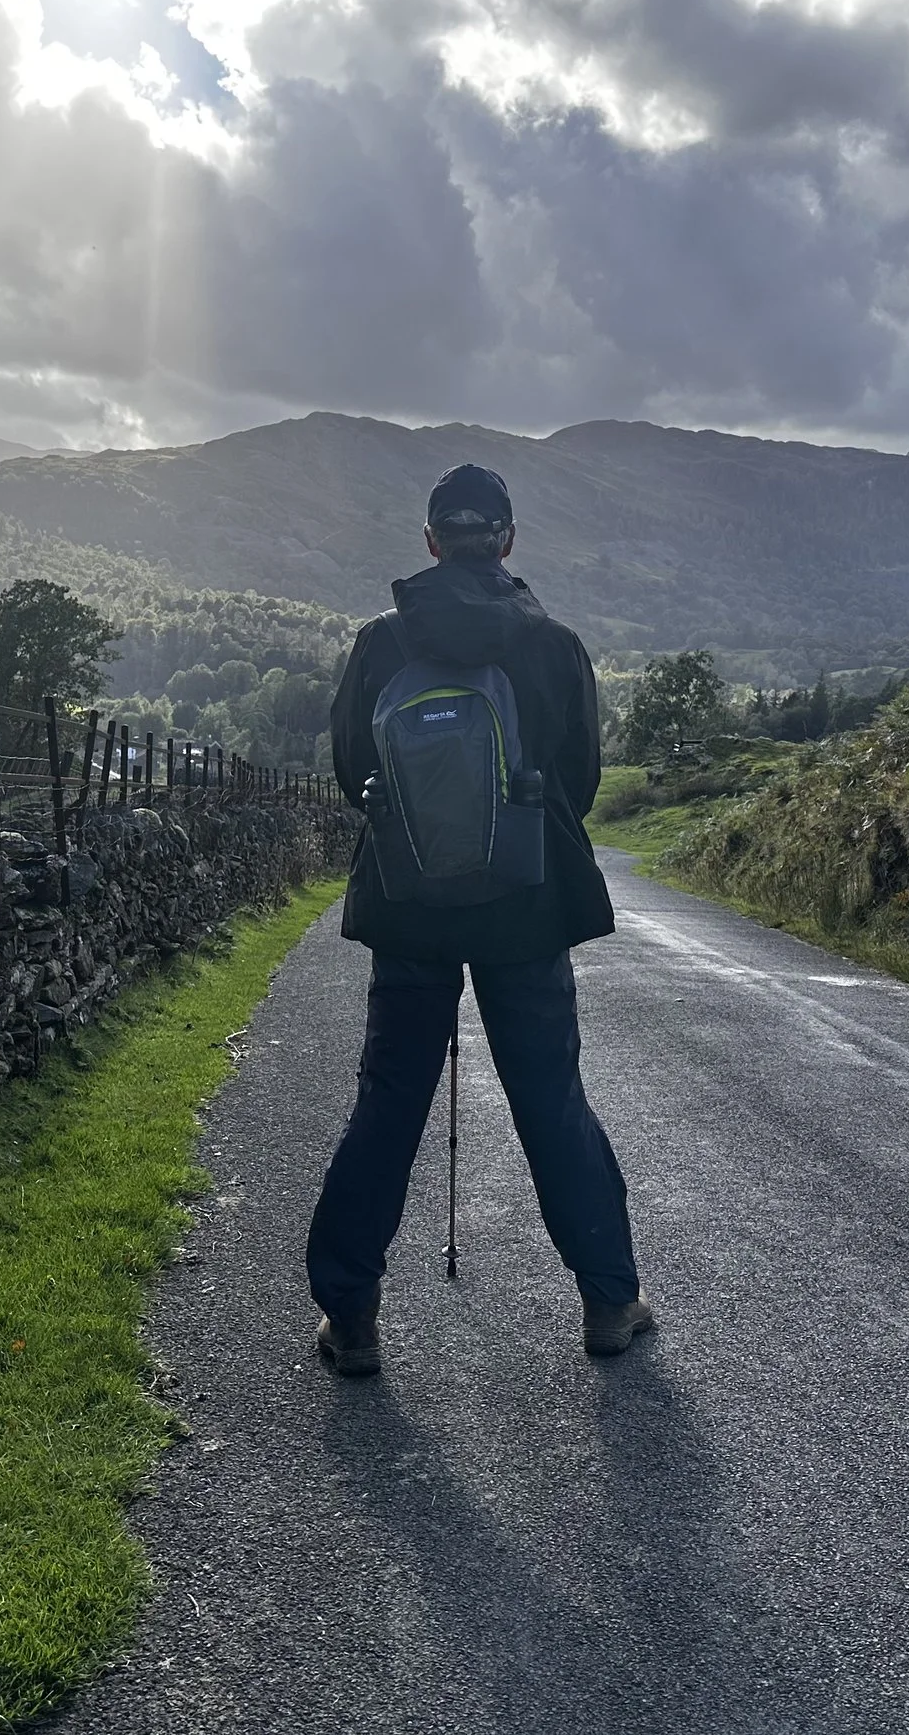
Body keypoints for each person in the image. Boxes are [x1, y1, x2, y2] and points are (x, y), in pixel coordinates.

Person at [307, 461, 653, 1374]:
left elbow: (352, 771)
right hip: (527, 906)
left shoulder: (382, 642)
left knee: (388, 1104)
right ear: (506, 539)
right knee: (550, 1100)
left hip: (410, 905)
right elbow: (577, 782)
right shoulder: (554, 643)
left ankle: (352, 1319)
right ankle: (610, 1300)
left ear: (430, 541)